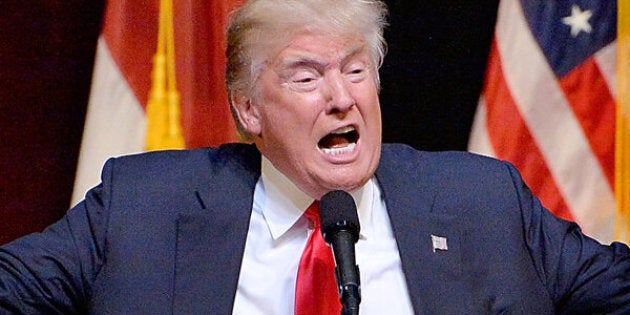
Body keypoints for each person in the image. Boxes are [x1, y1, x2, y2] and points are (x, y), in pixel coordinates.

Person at [1, 0, 630, 313]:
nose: (341, 98)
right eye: (306, 78)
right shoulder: (144, 205)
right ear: (249, 109)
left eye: (357, 70)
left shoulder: (481, 200)